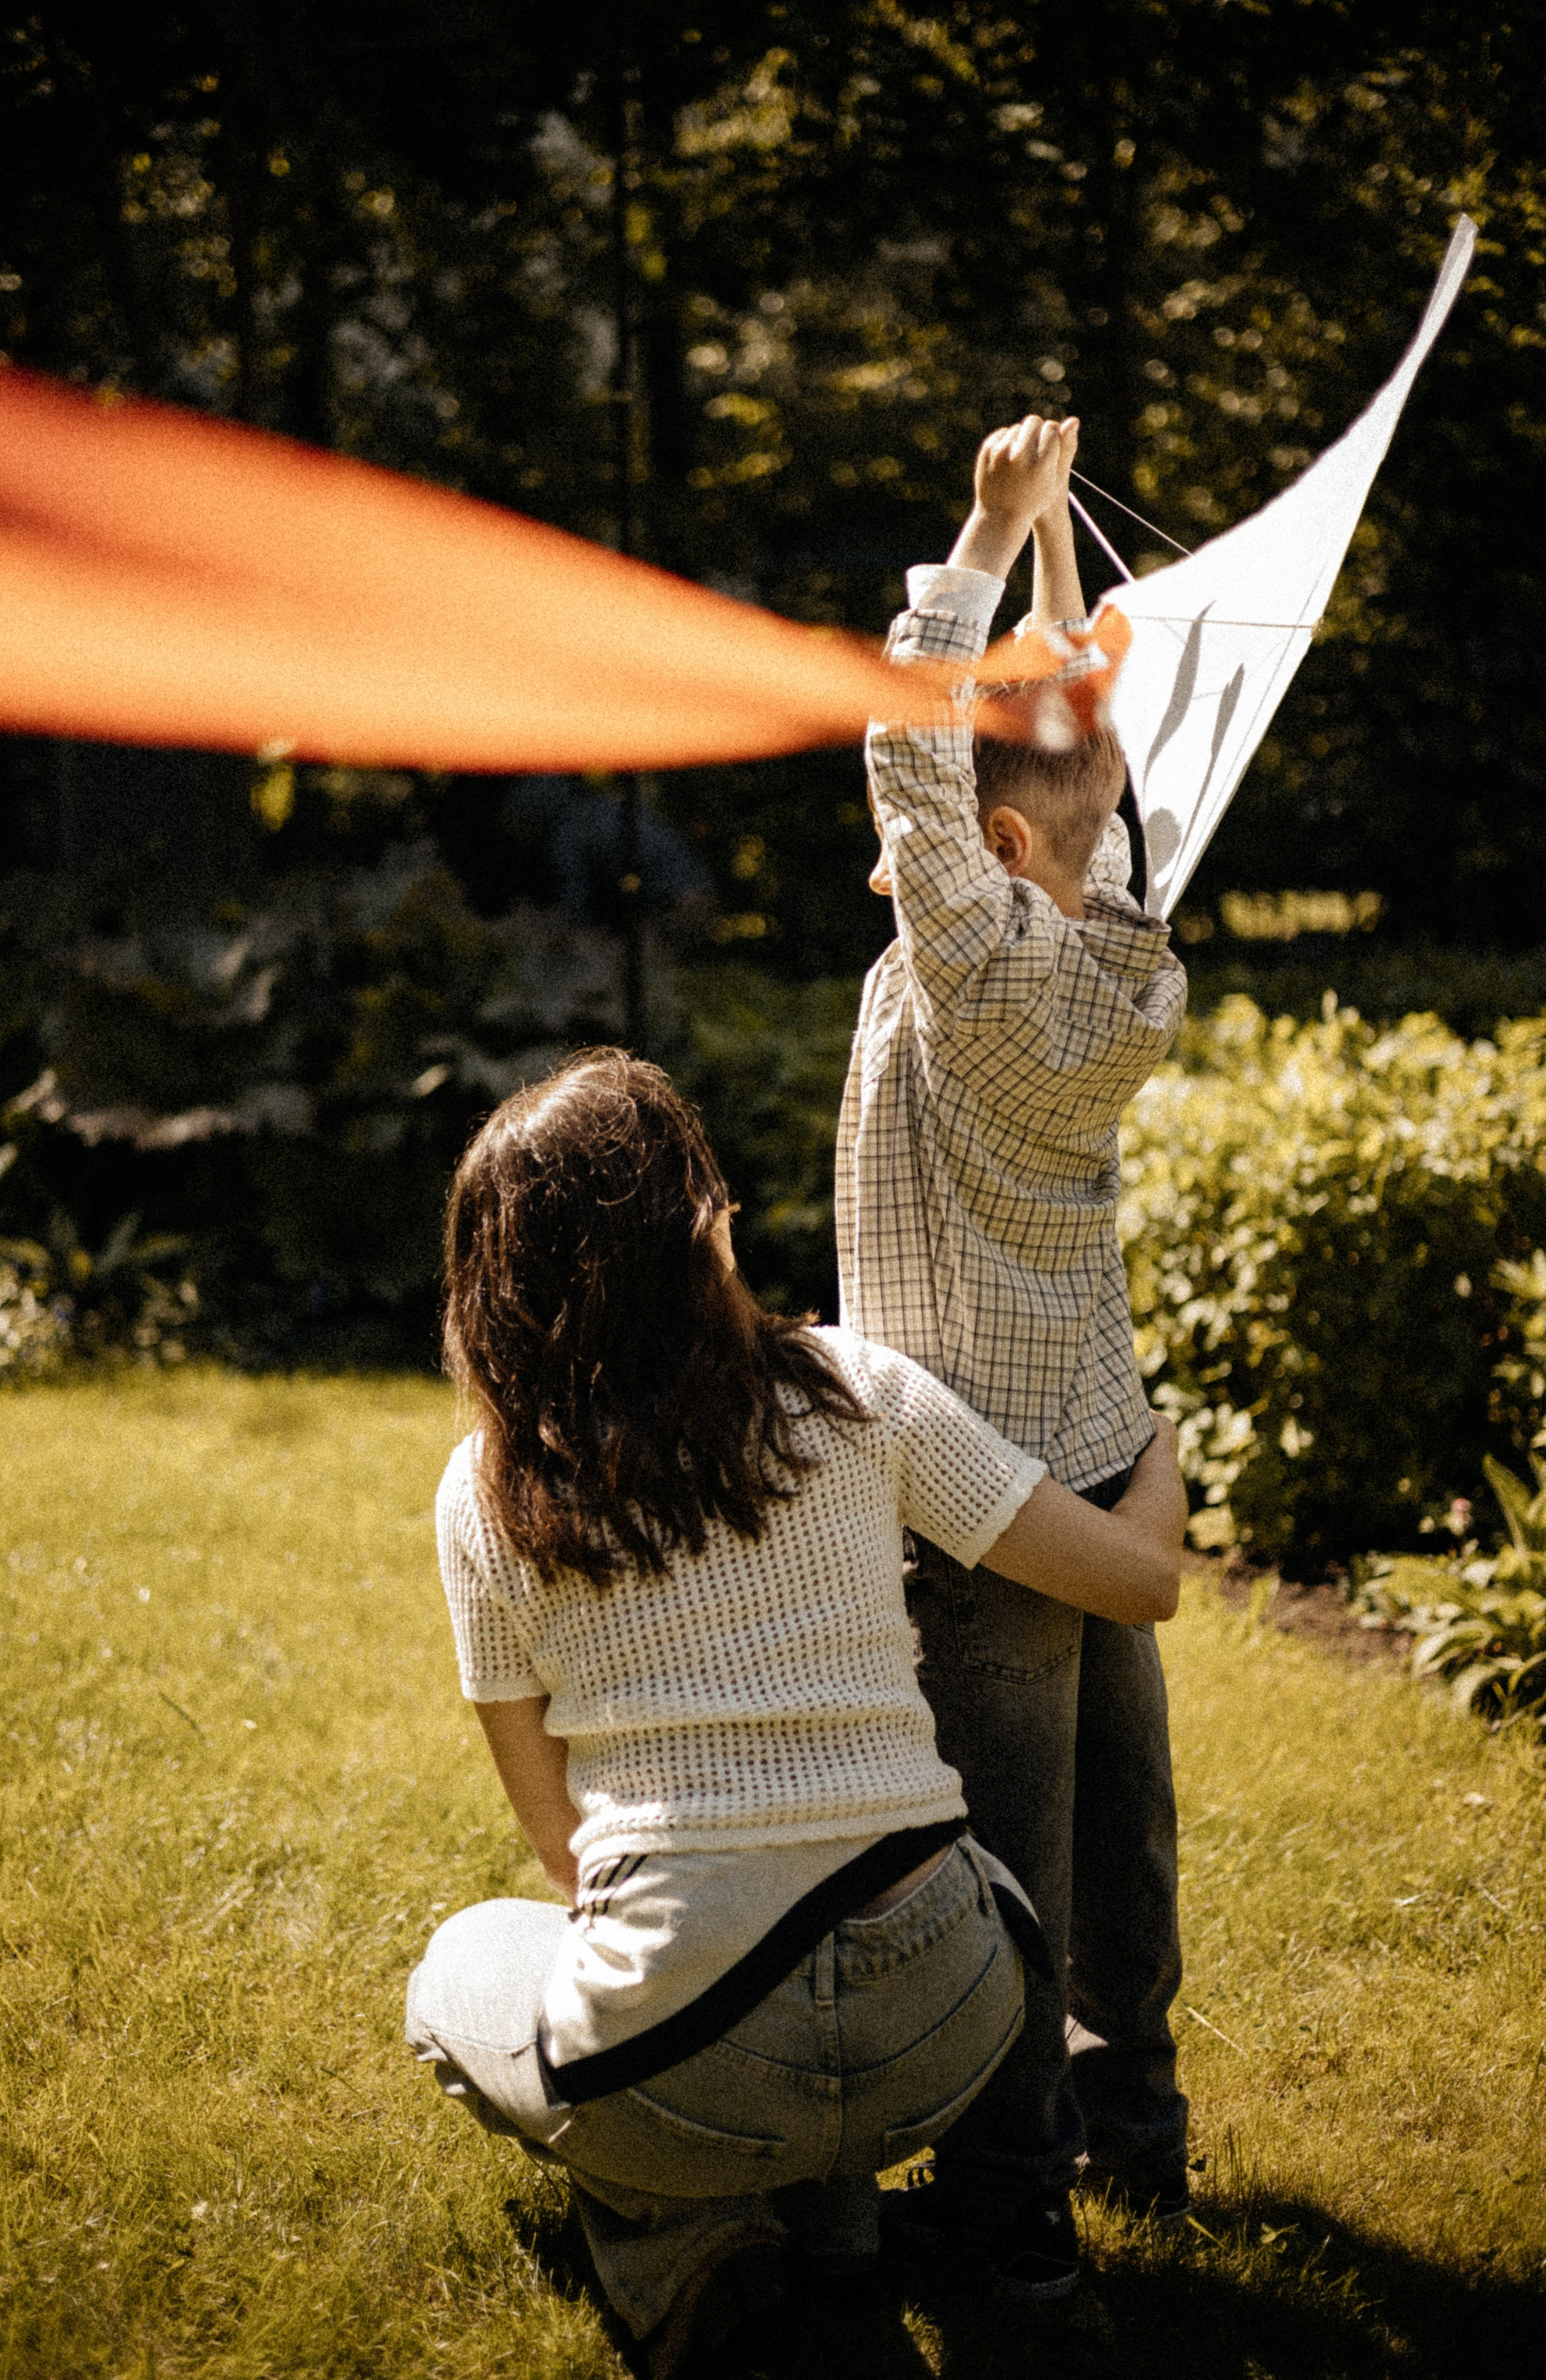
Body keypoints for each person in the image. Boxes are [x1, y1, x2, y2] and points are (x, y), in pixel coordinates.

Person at [406, 1048, 1186, 2377]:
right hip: (955, 2015)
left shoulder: (488, 1493)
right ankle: (834, 2210)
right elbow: (1139, 1581)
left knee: (461, 1972)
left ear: (495, 1291)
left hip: (693, 2045)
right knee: (825, 1944)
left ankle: (700, 2251)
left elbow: (562, 1855)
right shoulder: (853, 1389)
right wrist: (1155, 1452)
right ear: (703, 1230)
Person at [837, 417, 1192, 2300]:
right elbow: (1076, 801)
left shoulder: (966, 972)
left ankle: (1008, 2203)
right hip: (1103, 1456)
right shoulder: (1123, 954)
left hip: (986, 1501)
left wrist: (980, 539)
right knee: (1122, 1830)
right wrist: (1059, 585)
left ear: (979, 853)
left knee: (1004, 1867)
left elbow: (912, 751)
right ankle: (1138, 2123)